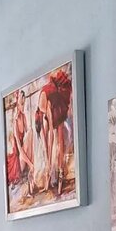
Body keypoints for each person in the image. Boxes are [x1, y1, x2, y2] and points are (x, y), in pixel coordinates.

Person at [38, 67, 73, 197]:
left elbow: (51, 136)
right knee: (53, 142)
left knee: (59, 142)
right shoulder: (41, 110)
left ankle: (60, 175)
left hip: (57, 105)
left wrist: (49, 159)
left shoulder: (45, 103)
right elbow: (46, 135)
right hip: (51, 103)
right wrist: (47, 160)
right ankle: (52, 178)